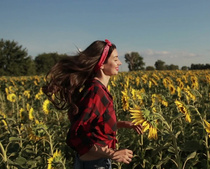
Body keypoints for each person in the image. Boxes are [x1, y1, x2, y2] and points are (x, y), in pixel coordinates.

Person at [42, 39, 143, 169]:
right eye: (115, 59)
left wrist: (124, 124)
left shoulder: (96, 89)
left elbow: (94, 127)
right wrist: (113, 154)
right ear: (101, 64)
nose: (120, 62)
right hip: (94, 164)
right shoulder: (96, 92)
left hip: (92, 162)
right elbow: (77, 135)